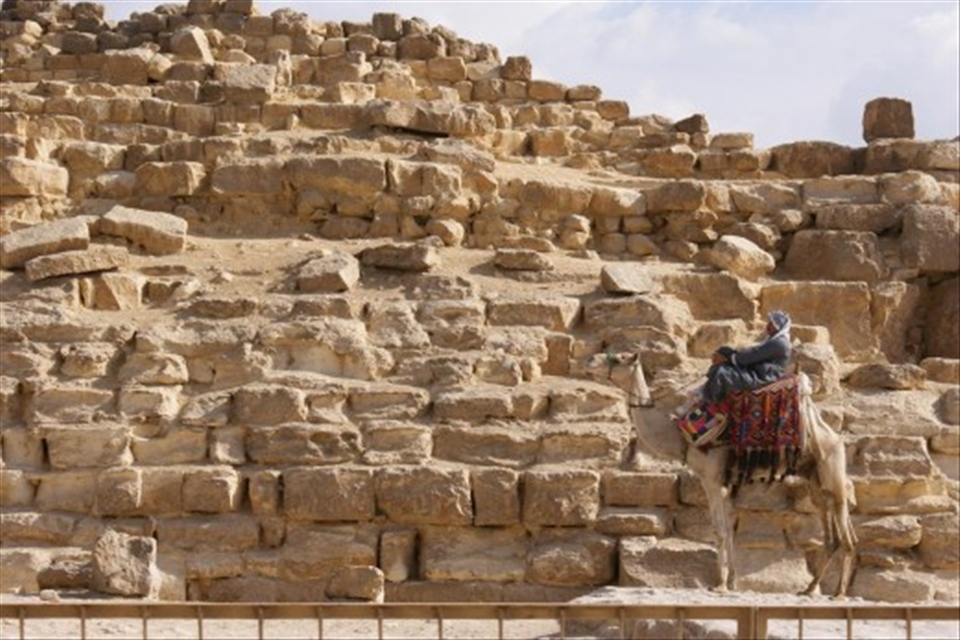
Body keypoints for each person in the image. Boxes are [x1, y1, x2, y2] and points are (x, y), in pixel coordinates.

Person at [701, 310, 793, 405]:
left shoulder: (779, 343)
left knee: (721, 373)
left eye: (772, 324)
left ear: (779, 327)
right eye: (769, 323)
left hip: (763, 377)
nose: (768, 326)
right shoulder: (774, 340)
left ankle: (711, 405)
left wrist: (730, 357)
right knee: (722, 364)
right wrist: (730, 354)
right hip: (759, 372)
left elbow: (753, 355)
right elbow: (754, 352)